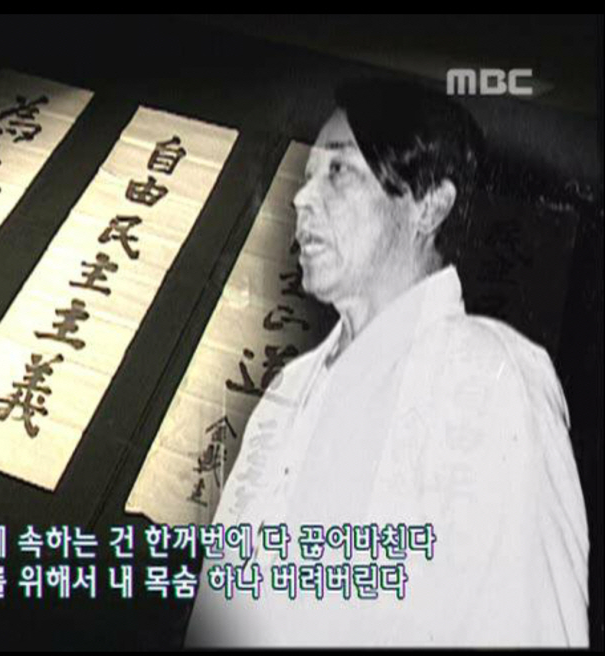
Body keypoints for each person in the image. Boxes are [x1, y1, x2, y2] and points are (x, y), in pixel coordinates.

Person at [184, 78, 589, 647]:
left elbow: (532, 626)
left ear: (429, 206)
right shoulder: (288, 389)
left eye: (339, 171)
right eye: (307, 176)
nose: (301, 198)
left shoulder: (492, 374)